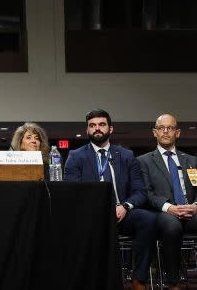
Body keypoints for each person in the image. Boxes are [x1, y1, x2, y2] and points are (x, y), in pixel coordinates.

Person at [138, 114, 197, 290]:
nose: (166, 131)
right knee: (171, 226)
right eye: (161, 128)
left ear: (178, 132)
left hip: (191, 213)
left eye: (170, 128)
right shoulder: (143, 161)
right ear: (154, 132)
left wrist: (196, 206)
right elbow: (146, 193)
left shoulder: (191, 160)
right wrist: (169, 208)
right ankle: (174, 283)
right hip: (164, 213)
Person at [64, 109, 155, 290]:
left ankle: (139, 279)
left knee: (148, 219)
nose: (97, 129)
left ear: (110, 129)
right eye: (92, 125)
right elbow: (72, 192)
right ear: (87, 130)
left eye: (102, 124)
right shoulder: (76, 156)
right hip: (92, 216)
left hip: (122, 213)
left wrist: (125, 207)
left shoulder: (126, 156)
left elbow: (140, 191)